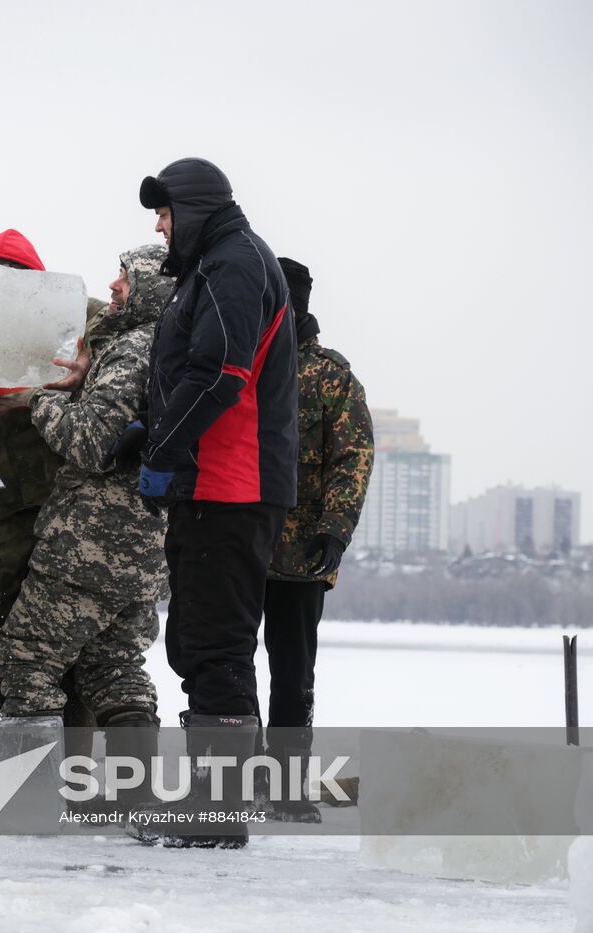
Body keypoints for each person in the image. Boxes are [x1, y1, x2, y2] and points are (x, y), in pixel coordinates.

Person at [128, 157, 298, 848]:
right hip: (215, 482)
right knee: (200, 640)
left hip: (232, 482)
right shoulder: (214, 264)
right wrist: (147, 431)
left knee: (217, 644)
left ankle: (217, 809)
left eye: (165, 216)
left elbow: (221, 372)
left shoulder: (233, 263)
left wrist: (162, 452)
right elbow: (188, 370)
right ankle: (214, 794)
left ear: (193, 209)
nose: (161, 229)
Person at [0, 246, 172, 772]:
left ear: (153, 290)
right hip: (144, 547)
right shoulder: (168, 349)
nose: (115, 286)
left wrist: (33, 399)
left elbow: (92, 441)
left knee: (26, 658)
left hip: (92, 542)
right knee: (114, 666)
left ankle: (28, 793)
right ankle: (134, 792)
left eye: (127, 278)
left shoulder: (133, 350)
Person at [261, 257, 373, 821]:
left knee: (292, 672)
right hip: (240, 542)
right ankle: (235, 776)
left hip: (301, 553)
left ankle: (286, 789)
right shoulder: (246, 360)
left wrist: (334, 529)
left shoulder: (330, 377)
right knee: (223, 664)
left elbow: (352, 458)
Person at [0, 230, 69, 719]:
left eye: (17, 279)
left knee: (61, 638)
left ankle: (74, 761)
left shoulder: (64, 338)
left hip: (54, 512)